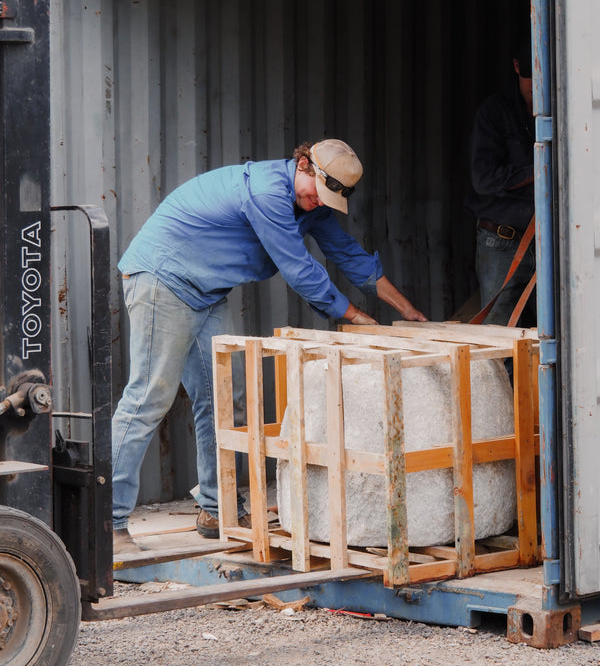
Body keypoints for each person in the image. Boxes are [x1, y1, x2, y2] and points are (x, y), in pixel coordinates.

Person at [112, 138, 427, 555]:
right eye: (317, 192)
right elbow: (297, 267)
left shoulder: (308, 204)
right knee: (149, 396)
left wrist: (408, 311)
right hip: (162, 280)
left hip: (206, 293)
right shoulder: (267, 193)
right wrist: (354, 316)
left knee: (226, 399)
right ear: (304, 165)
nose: (318, 203)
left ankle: (217, 508)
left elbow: (349, 255)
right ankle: (107, 523)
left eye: (328, 199)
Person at [464, 40, 536, 327]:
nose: (536, 82)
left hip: (550, 239)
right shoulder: (494, 112)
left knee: (556, 330)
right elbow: (484, 179)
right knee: (499, 332)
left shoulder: (563, 111)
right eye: (530, 72)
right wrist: (541, 168)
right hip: (502, 242)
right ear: (517, 67)